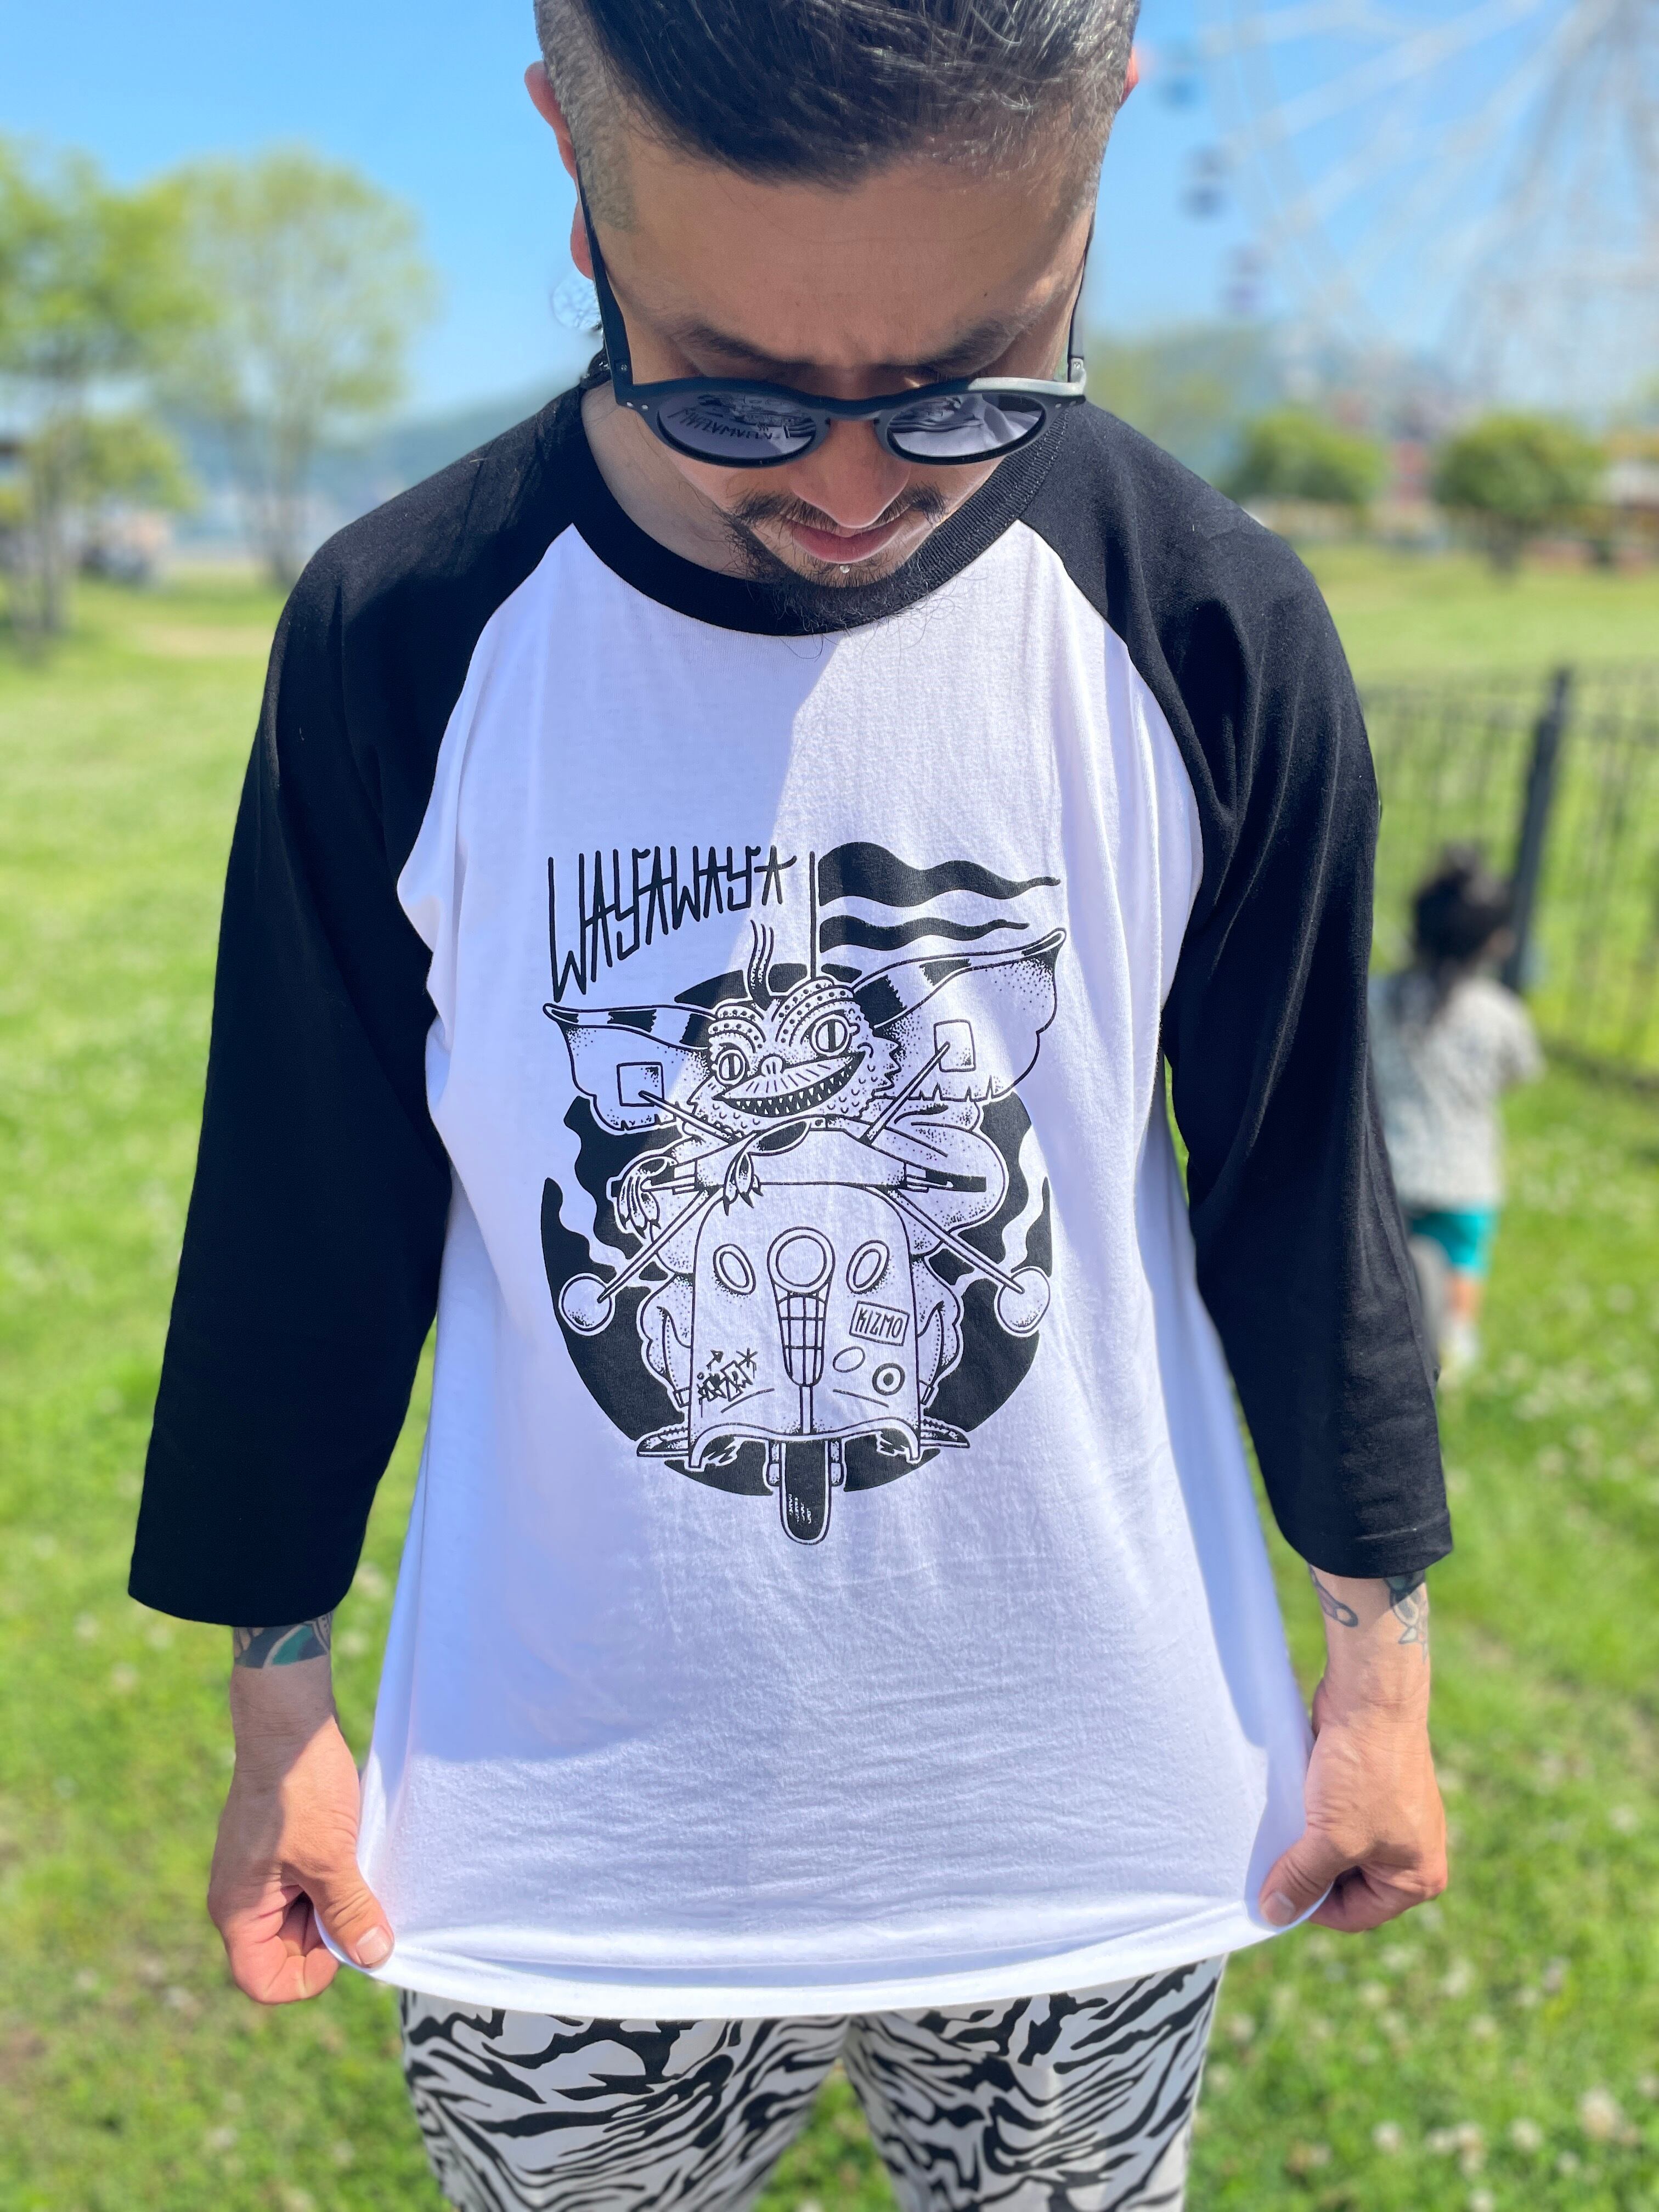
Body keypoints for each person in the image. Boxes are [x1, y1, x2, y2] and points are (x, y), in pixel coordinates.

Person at [129, 3, 1452, 2204]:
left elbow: (1305, 1183)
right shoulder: (405, 633)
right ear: (571, 162)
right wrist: (281, 1711)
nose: (851, 491)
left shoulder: (1207, 621)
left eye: (974, 383)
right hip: (564, 1850)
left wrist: (1379, 1683)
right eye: (731, 391)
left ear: (1104, 145)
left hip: (1088, 1829)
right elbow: (306, 1218)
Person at [1370, 844, 1543, 1380]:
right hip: (1464, 1179)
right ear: (1497, 941)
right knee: (1464, 1256)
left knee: (1377, 1265)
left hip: (1389, 1169)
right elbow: (1521, 1071)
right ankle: (1458, 1338)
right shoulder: (1500, 1015)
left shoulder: (1378, 999)